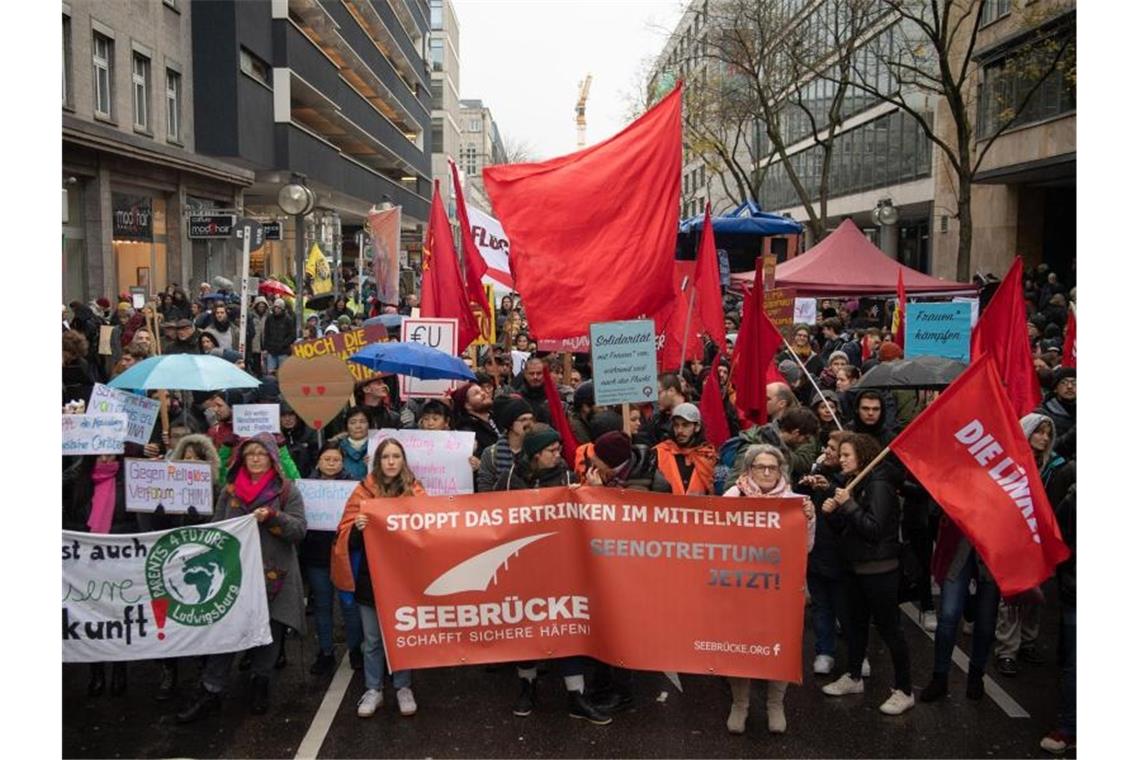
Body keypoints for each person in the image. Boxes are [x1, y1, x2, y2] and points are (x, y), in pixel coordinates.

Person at [176, 434, 307, 722]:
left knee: (269, 634)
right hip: (234, 574)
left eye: (262, 453)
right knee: (227, 631)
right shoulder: (230, 491)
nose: (257, 458)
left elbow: (299, 531)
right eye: (251, 454)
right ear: (242, 458)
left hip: (275, 575)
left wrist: (274, 516)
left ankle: (260, 682)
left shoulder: (286, 491)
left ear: (272, 457)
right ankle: (211, 689)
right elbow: (215, 530)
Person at [492, 426, 613, 724]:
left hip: (561, 567)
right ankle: (527, 686)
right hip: (522, 567)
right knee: (526, 628)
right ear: (535, 455)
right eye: (552, 451)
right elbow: (491, 518)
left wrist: (594, 493)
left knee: (566, 627)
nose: (559, 456)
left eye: (559, 451)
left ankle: (576, 695)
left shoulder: (569, 477)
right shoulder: (508, 479)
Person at [722, 444, 816, 735]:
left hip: (781, 589)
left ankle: (776, 704)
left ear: (781, 471)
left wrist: (809, 519)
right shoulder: (731, 497)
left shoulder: (796, 502)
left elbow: (807, 547)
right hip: (740, 588)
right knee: (738, 647)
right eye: (759, 467)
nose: (766, 472)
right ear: (748, 470)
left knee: (781, 646)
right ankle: (740, 704)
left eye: (772, 467)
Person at [821, 433, 913, 715]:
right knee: (855, 626)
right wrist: (832, 512)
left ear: (862, 456)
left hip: (879, 570)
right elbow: (848, 528)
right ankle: (854, 676)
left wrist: (847, 505)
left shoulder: (880, 484)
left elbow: (874, 528)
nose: (842, 459)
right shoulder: (854, 481)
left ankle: (905, 690)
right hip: (855, 568)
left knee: (889, 630)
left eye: (847, 455)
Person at [332, 438, 425, 718]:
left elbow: (427, 529)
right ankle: (373, 689)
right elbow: (345, 532)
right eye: (386, 457)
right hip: (370, 577)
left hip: (404, 578)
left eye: (397, 456)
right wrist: (359, 528)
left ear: (403, 460)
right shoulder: (363, 492)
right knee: (372, 639)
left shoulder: (415, 490)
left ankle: (402, 686)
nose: (392, 462)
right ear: (378, 461)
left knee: (401, 635)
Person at [992, 413, 1073, 677]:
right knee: (1014, 594)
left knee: (1036, 593)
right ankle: (1007, 649)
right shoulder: (1010, 464)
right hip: (1014, 536)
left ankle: (1028, 641)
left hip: (1042, 537)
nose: (1044, 438)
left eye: (1048, 434)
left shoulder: (1056, 467)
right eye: (1039, 432)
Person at [64, 454, 137, 698]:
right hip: (87, 562)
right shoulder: (78, 479)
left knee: (119, 614)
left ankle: (120, 669)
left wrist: (114, 537)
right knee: (91, 615)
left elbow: (135, 519)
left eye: (111, 450)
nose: (106, 456)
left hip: (120, 558)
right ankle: (96, 671)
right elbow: (70, 518)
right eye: (101, 450)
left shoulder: (129, 477)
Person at [301, 441, 364, 676]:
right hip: (317, 555)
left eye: (336, 459)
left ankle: (356, 649)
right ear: (318, 461)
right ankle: (325, 652)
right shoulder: (306, 487)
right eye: (326, 459)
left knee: (349, 605)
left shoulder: (354, 487)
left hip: (346, 553)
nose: (331, 463)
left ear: (342, 462)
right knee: (323, 605)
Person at [799, 431, 849, 676]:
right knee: (821, 605)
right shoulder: (817, 471)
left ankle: (856, 656)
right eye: (826, 446)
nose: (827, 451)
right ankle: (824, 652)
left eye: (833, 448)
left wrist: (830, 489)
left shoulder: (850, 481)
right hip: (817, 551)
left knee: (846, 608)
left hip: (841, 556)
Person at [653, 403, 716, 495]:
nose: (679, 430)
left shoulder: (708, 456)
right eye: (676, 425)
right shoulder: (658, 453)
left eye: (685, 425)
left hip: (699, 508)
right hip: (667, 508)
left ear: (697, 427)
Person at [476, 398, 535, 492]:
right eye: (523, 419)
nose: (529, 424)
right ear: (511, 424)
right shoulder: (490, 453)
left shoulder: (537, 450)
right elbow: (484, 487)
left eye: (531, 419)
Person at [1036, 367, 1075, 461]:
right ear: (1055, 389)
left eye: (1074, 383)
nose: (1069, 386)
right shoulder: (1043, 414)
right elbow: (1047, 448)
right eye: (1064, 383)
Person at [451, 381, 499, 457]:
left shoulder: (497, 417)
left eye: (481, 391)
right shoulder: (467, 430)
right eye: (477, 394)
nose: (483, 393)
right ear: (467, 405)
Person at [775, 407, 821, 482]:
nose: (806, 442)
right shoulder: (774, 448)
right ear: (796, 433)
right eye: (806, 438)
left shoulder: (785, 446)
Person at [279, 402, 318, 479]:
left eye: (291, 415)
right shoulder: (276, 437)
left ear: (297, 416)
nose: (287, 419)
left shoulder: (309, 433)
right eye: (283, 416)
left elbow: (316, 460)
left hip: (307, 478)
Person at [511, 356, 552, 424]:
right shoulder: (517, 398)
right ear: (525, 374)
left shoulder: (553, 397)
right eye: (531, 373)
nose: (535, 377)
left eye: (539, 373)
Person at [648, 373, 686, 444]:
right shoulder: (657, 420)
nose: (655, 398)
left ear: (671, 391)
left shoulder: (697, 413)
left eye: (658, 393)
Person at [337, 406, 373, 480]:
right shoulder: (336, 448)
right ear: (346, 426)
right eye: (353, 422)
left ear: (369, 424)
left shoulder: (378, 448)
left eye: (362, 422)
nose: (358, 426)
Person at [263, 298, 296, 374]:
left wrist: (284, 344)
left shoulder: (288, 319)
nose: (276, 309)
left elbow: (292, 335)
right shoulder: (269, 318)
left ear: (282, 309)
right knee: (270, 372)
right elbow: (266, 334)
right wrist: (266, 347)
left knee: (283, 372)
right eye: (275, 307)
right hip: (271, 350)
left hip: (283, 351)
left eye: (279, 308)